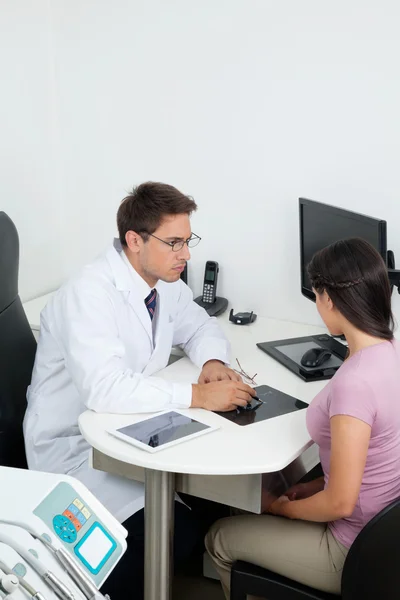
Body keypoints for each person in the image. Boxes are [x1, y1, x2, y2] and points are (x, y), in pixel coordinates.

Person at [23, 181, 255, 597]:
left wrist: (213, 364)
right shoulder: (90, 293)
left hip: (131, 433)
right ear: (134, 240)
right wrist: (198, 396)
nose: (186, 254)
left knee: (213, 503)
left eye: (188, 241)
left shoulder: (163, 283)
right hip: (77, 451)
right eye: (174, 243)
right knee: (172, 535)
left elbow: (200, 325)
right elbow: (104, 389)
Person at [206, 237, 400, 598]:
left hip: (349, 549)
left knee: (219, 537)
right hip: (383, 536)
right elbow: (371, 464)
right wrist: (309, 489)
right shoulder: (390, 352)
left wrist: (282, 509)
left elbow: (341, 502)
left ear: (328, 298)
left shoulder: (355, 384)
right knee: (273, 491)